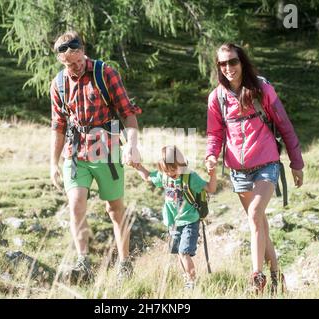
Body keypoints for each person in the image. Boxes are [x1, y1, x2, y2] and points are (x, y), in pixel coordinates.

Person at [205, 43, 304, 294]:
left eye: (233, 62)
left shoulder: (261, 89)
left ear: (242, 62)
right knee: (259, 222)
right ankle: (276, 276)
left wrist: (296, 163)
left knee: (254, 215)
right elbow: (215, 133)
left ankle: (256, 277)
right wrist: (210, 155)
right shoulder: (216, 97)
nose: (228, 68)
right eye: (223, 64)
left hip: (266, 164)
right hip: (238, 170)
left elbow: (284, 125)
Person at [50, 31, 142, 283]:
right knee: (76, 203)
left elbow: (128, 113)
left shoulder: (105, 73)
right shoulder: (58, 84)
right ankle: (83, 262)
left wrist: (132, 144)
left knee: (114, 210)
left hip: (107, 150)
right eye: (69, 64)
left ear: (83, 51)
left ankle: (124, 263)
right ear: (62, 62)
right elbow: (57, 126)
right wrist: (53, 163)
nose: (75, 66)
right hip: (75, 151)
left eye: (78, 60)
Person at [135, 145, 217, 289]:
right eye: (167, 171)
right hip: (173, 223)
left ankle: (191, 283)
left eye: (174, 170)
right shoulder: (163, 176)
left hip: (190, 221)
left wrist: (212, 173)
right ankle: (187, 278)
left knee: (183, 252)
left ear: (181, 164)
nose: (170, 173)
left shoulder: (190, 177)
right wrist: (138, 167)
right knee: (178, 253)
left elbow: (211, 188)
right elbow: (148, 177)